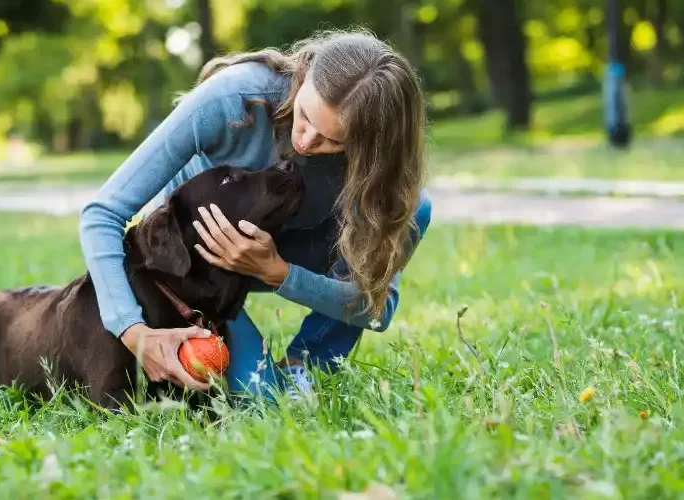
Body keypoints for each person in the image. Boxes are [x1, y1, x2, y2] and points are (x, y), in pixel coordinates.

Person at [79, 29, 432, 403]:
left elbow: (376, 309)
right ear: (304, 76)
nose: (305, 142)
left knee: (415, 208)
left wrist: (279, 273)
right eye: (305, 116)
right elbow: (102, 213)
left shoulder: (383, 176)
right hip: (199, 274)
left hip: (289, 252)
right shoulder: (233, 100)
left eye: (334, 140)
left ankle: (304, 365)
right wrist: (134, 331)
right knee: (261, 398)